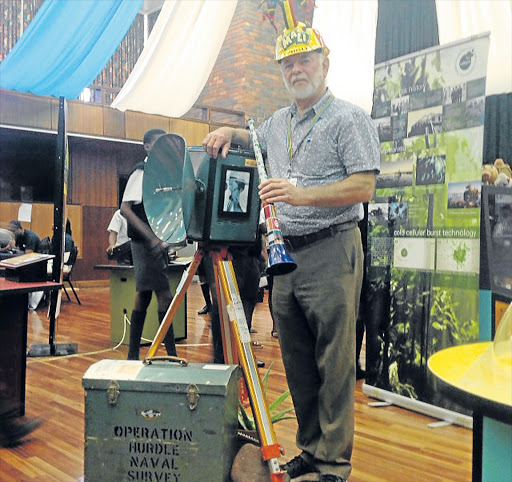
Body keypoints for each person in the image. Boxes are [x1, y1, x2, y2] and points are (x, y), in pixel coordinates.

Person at [202, 18, 380, 482]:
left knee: (334, 361)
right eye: (288, 63)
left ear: (324, 63)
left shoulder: (349, 118)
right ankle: (310, 447)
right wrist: (228, 132)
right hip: (285, 258)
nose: (296, 69)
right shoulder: (279, 122)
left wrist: (301, 195)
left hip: (332, 248)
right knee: (297, 361)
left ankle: (334, 464)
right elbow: (253, 140)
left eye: (305, 60)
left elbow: (364, 186)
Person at [120, 129, 178, 360]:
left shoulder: (159, 174)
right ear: (146, 146)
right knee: (165, 294)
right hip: (145, 244)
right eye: (158, 144)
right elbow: (125, 208)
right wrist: (151, 237)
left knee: (144, 294)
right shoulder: (141, 172)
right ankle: (171, 354)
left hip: (156, 243)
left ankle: (133, 355)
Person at [8, 220, 44, 310]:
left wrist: (15, 250)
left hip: (36, 265)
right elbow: (15, 249)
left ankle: (24, 301)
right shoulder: (18, 236)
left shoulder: (30, 237)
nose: (12, 233)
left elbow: (28, 255)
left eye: (13, 231)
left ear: (20, 229)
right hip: (25, 263)